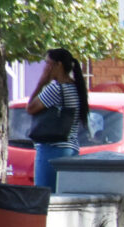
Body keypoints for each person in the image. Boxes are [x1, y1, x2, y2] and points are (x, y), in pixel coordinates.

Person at [25, 49, 88, 188]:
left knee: (45, 195)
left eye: (48, 63)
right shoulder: (76, 87)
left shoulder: (56, 89)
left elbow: (30, 108)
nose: (45, 67)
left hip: (52, 148)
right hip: (71, 148)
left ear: (58, 65)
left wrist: (41, 83)